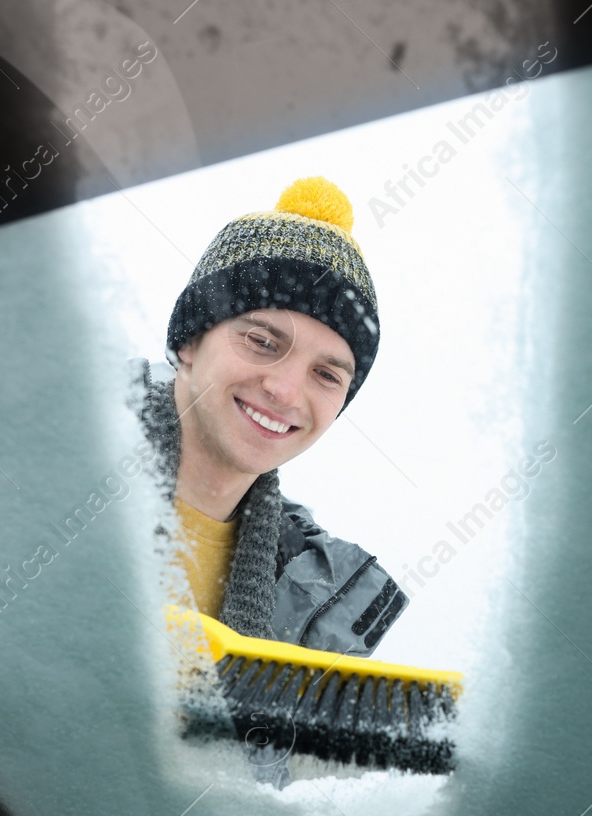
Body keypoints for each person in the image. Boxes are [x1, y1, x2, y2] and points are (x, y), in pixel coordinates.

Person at [134, 176, 408, 784]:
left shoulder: (321, 608)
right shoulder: (41, 454)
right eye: (262, 341)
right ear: (190, 340)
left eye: (327, 375)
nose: (286, 391)